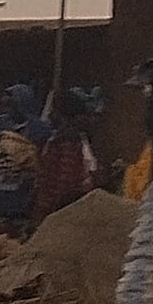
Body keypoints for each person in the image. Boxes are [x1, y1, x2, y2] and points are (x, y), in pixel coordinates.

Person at [33, 89, 100, 224]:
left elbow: (66, 181)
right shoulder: (60, 139)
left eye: (54, 111)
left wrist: (54, 210)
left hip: (58, 212)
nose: (50, 115)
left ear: (63, 115)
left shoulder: (68, 141)